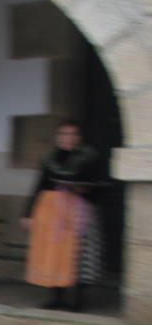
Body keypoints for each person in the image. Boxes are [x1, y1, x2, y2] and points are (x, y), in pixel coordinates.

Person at [22, 120, 107, 312]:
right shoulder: (49, 158)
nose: (68, 138)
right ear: (58, 136)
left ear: (80, 137)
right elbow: (40, 184)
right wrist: (27, 213)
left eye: (73, 134)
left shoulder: (91, 158)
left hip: (80, 211)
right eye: (64, 134)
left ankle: (78, 301)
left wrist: (83, 190)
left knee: (79, 255)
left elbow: (101, 184)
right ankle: (56, 298)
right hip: (51, 211)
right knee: (54, 254)